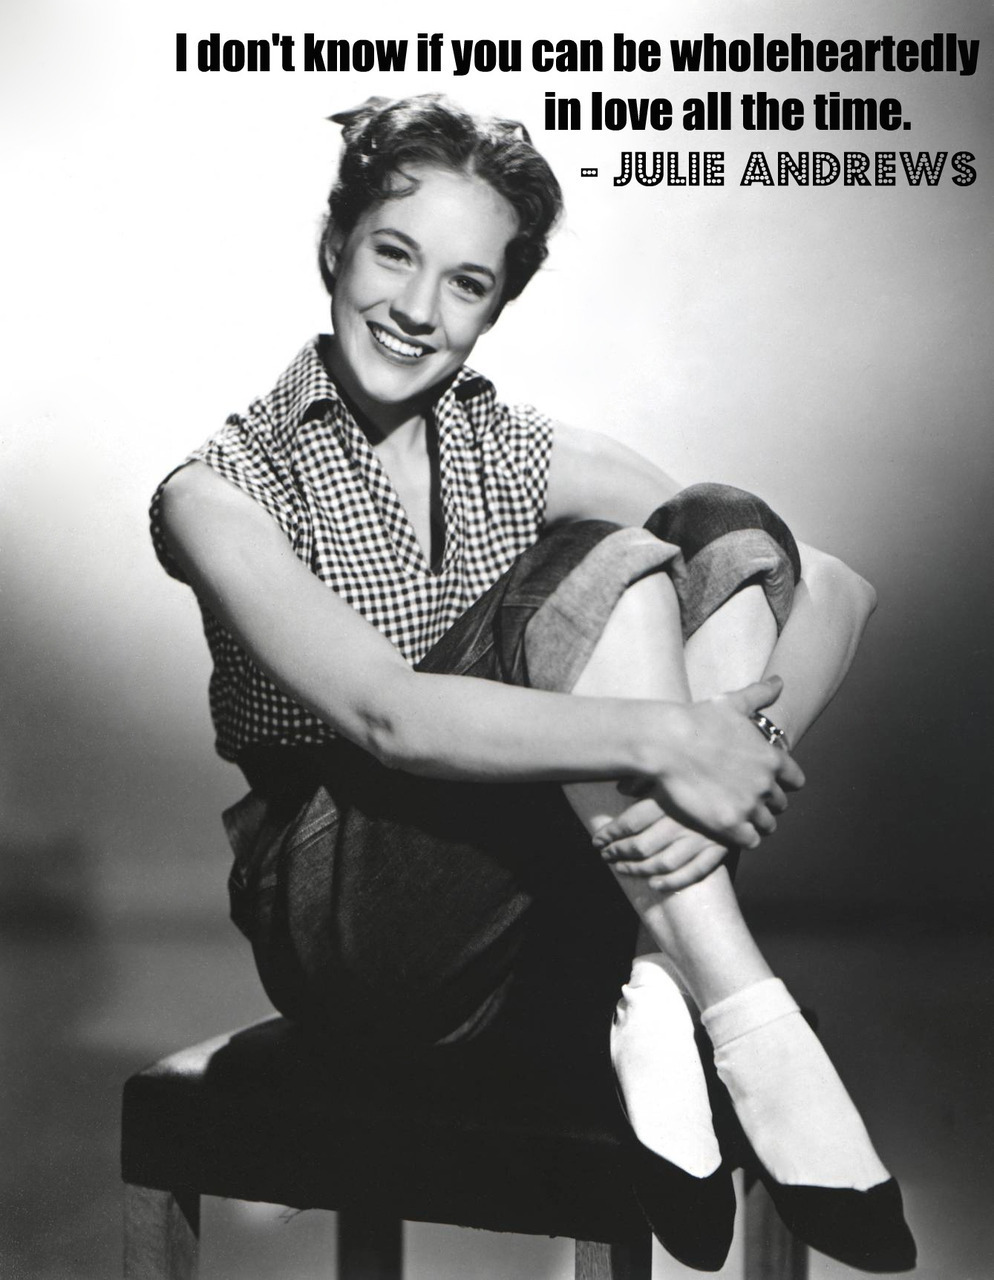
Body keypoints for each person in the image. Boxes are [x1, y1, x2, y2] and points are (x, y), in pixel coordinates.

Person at [151, 95, 915, 1272]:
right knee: (595, 568)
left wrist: (728, 742)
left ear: (496, 303)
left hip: (534, 910)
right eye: (393, 253)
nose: (416, 308)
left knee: (712, 520)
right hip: (353, 929)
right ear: (335, 246)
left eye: (465, 281)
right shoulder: (220, 489)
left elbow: (824, 582)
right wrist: (671, 741)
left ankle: (662, 978)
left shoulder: (511, 448)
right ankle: (747, 1017)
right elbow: (388, 715)